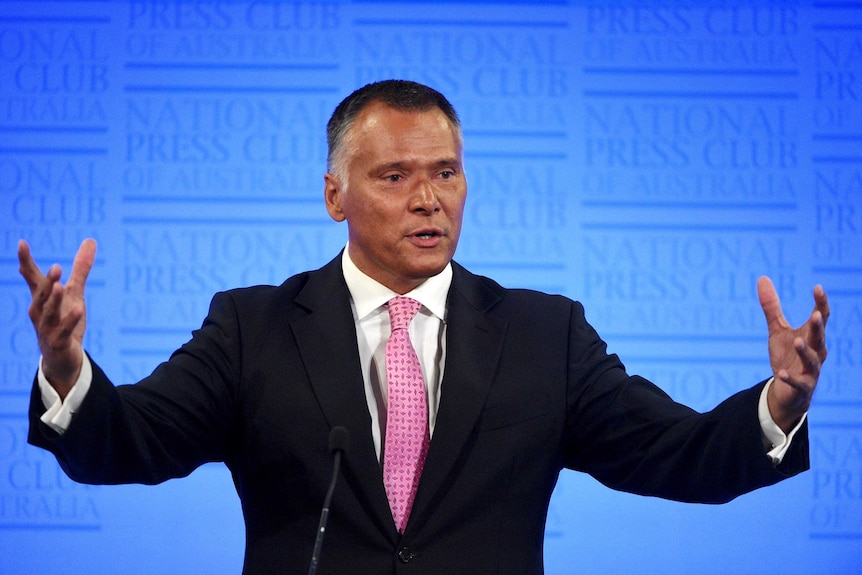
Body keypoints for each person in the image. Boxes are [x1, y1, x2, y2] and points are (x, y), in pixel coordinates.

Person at [19, 80, 830, 574]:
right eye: (395, 175)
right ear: (335, 194)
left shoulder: (546, 334)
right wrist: (66, 368)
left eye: (446, 172)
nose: (428, 198)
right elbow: (131, 443)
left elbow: (678, 454)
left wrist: (781, 402)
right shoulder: (252, 327)